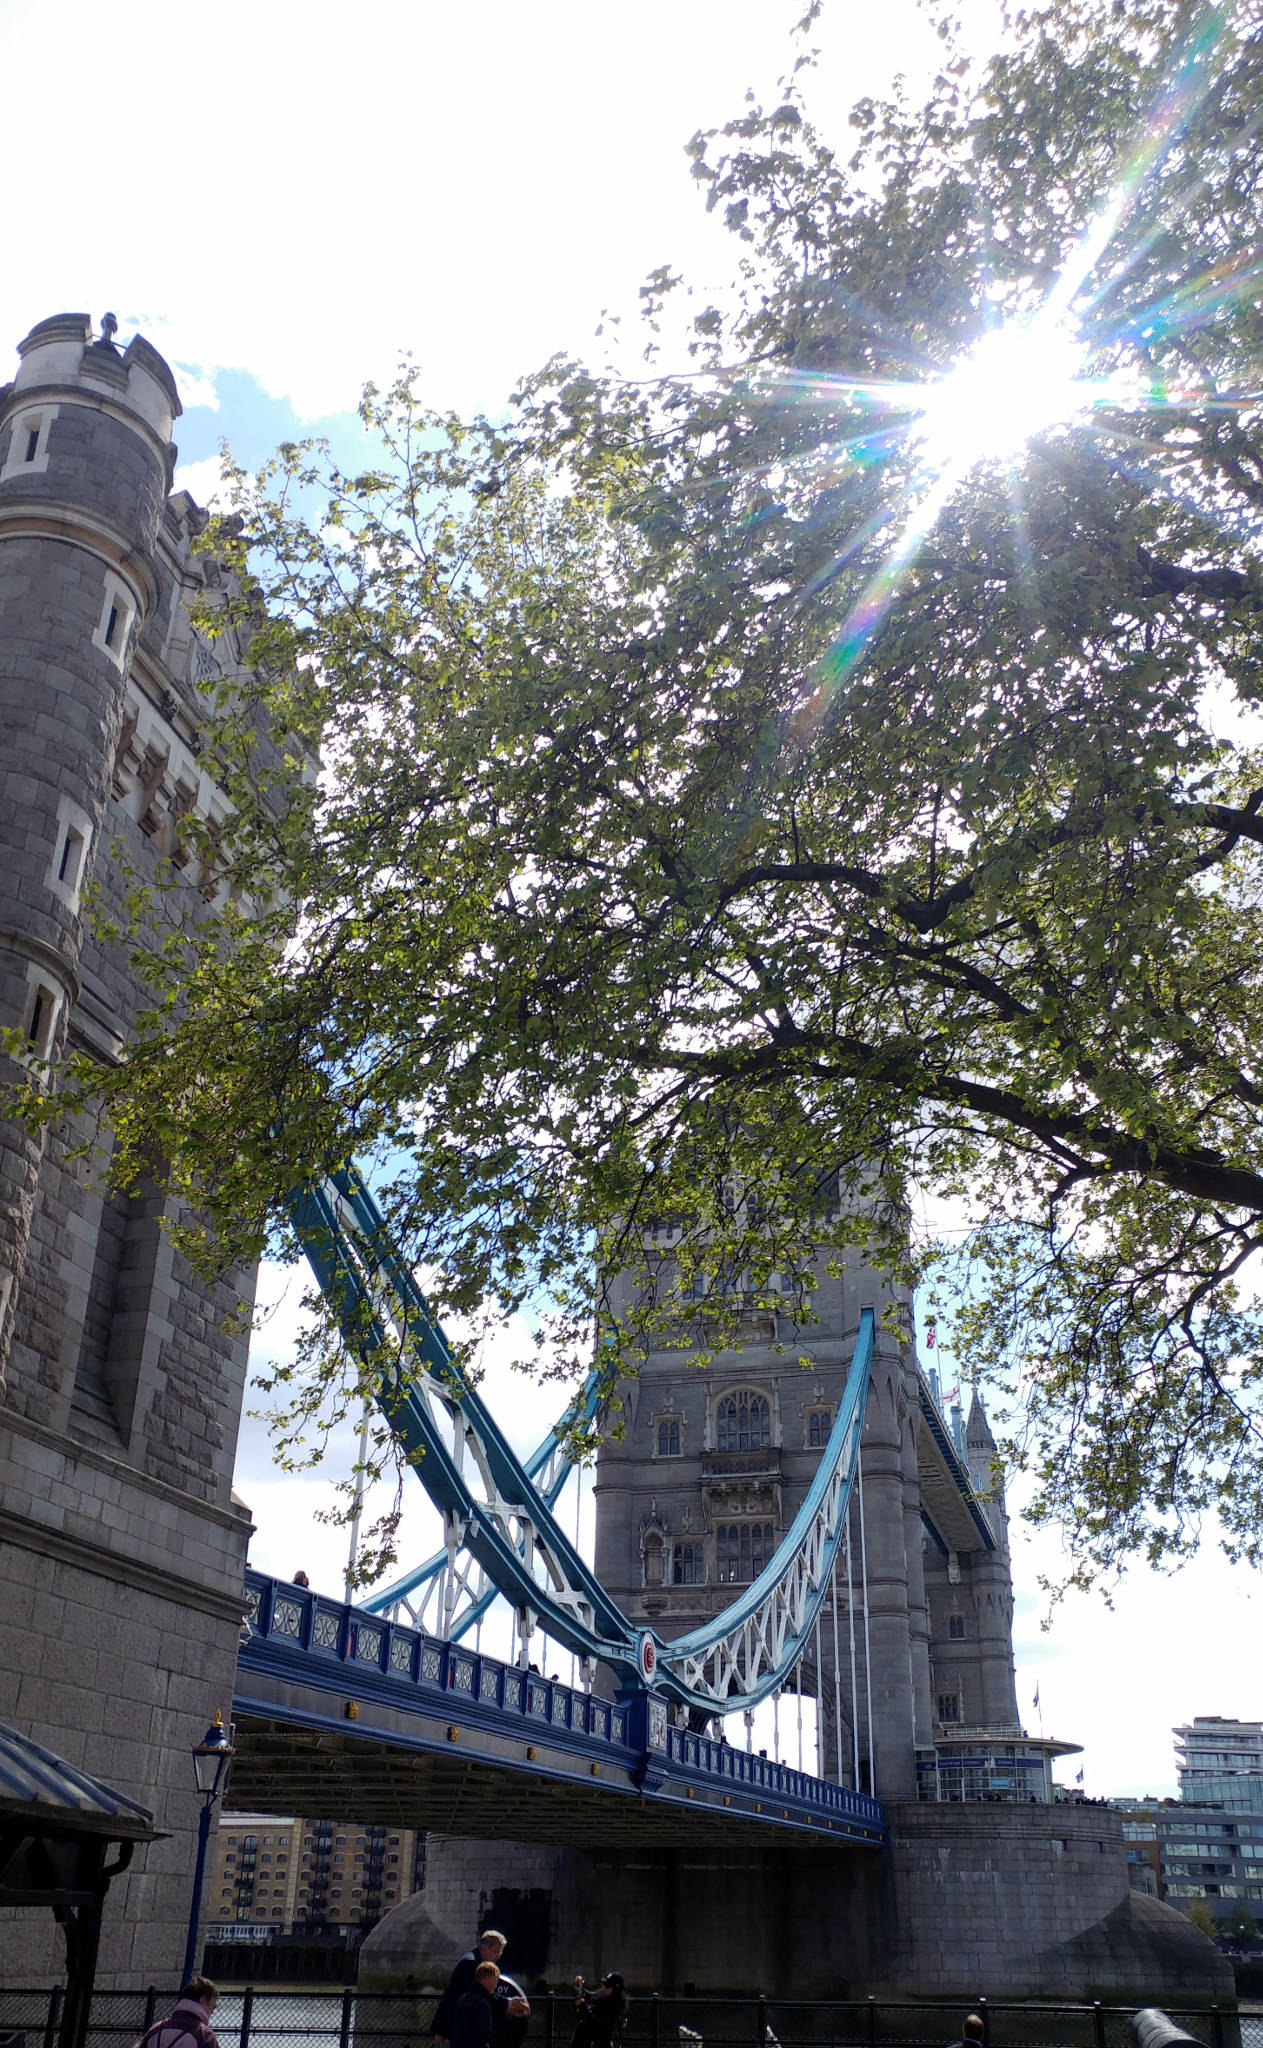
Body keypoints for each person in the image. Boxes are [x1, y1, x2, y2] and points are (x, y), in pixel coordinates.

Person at [434, 1931, 529, 2047]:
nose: (497, 1957)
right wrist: (507, 2003)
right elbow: (480, 1993)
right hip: (456, 2029)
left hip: (457, 2027)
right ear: (483, 1948)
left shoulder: (471, 1960)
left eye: (500, 1953)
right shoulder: (471, 1964)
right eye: (495, 1952)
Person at [134, 1980, 219, 2048]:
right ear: (202, 2000)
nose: (212, 2011)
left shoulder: (156, 2029)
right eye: (213, 2006)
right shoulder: (205, 2036)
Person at [570, 1973, 627, 2048]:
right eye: (604, 1984)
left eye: (607, 1986)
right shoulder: (603, 1996)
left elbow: (593, 2023)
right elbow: (591, 1997)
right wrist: (579, 1988)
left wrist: (581, 2003)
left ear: (615, 1990)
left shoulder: (613, 2007)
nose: (603, 1987)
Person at [452, 1963, 502, 2048]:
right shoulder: (482, 2004)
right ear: (487, 1980)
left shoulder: (463, 1998)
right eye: (496, 1980)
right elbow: (481, 2037)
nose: (495, 1986)